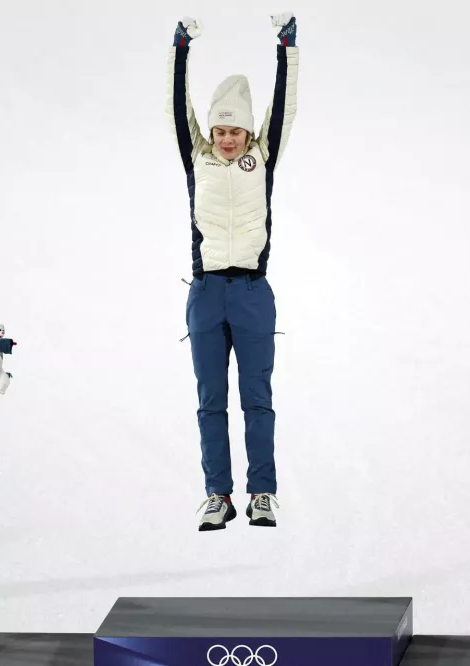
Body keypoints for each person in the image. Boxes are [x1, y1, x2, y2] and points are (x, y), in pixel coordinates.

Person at [166, 13, 299, 531]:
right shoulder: (196, 157)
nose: (226, 139)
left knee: (257, 398)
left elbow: (283, 108)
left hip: (251, 291)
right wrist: (180, 49)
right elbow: (177, 108)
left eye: (235, 130)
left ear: (248, 131)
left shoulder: (261, 159)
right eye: (219, 130)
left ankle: (261, 492)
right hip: (205, 292)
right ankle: (217, 494)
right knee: (210, 401)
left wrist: (287, 46)